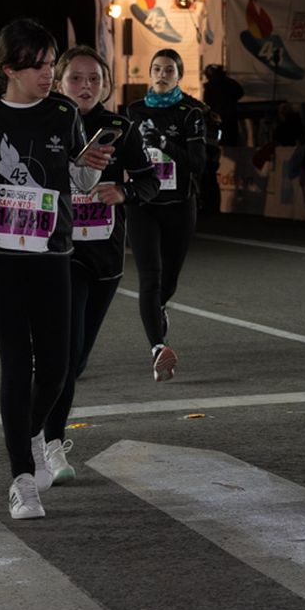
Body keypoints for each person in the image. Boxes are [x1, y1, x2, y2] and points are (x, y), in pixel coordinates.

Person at [0, 20, 111, 519]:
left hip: (53, 252)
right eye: (39, 66)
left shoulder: (64, 112)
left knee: (59, 365)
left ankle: (26, 434)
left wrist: (92, 161)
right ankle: (22, 477)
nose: (49, 74)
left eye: (50, 64)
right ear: (9, 70)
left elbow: (80, 177)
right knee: (17, 364)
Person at [40, 46, 159, 484]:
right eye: (75, 78)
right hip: (58, 254)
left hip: (104, 257)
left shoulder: (119, 128)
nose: (85, 86)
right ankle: (50, 443)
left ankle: (42, 423)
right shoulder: (46, 122)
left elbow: (149, 180)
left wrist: (124, 193)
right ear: (58, 82)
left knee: (78, 360)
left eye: (94, 79)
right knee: (66, 355)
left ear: (106, 84)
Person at [125, 48, 207, 381]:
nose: (161, 74)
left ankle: (159, 311)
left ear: (179, 75)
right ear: (149, 73)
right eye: (156, 68)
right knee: (150, 278)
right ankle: (159, 348)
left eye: (169, 70)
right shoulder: (133, 110)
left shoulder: (191, 112)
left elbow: (198, 164)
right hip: (142, 206)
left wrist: (163, 143)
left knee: (168, 282)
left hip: (178, 205)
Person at [202, 64, 243, 146]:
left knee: (221, 137)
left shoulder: (209, 86)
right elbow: (240, 93)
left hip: (218, 115)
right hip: (231, 113)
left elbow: (207, 102)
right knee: (232, 135)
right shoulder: (230, 82)